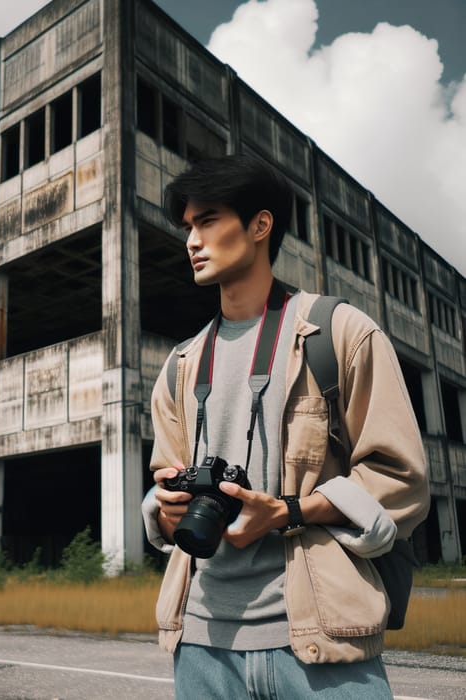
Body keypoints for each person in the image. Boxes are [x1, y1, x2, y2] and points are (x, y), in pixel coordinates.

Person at [141, 155, 430, 699]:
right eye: (188, 227)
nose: (192, 241)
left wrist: (287, 513)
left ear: (260, 225)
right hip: (202, 644)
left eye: (207, 220)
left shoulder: (337, 333)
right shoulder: (180, 365)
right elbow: (164, 476)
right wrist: (167, 502)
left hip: (322, 640)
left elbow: (402, 480)